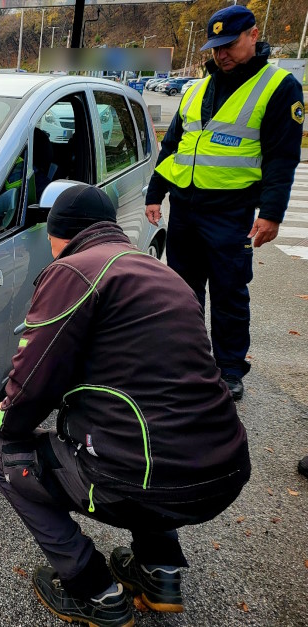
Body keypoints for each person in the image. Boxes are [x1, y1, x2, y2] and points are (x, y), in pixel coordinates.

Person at [0, 183, 251, 627]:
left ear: (60, 233)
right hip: (223, 472)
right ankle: (159, 570)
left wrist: (6, 417)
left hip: (141, 480)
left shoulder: (74, 270)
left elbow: (34, 377)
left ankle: (94, 590)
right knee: (144, 428)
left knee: (0, 450)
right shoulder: (161, 273)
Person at [145, 5, 304, 401]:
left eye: (229, 45)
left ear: (253, 35)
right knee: (182, 292)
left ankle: (230, 369)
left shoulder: (278, 86)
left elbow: (282, 157)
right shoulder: (196, 88)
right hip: (184, 209)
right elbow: (173, 146)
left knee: (230, 292)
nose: (221, 55)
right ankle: (187, 361)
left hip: (231, 213)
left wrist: (271, 214)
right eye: (215, 47)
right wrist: (155, 193)